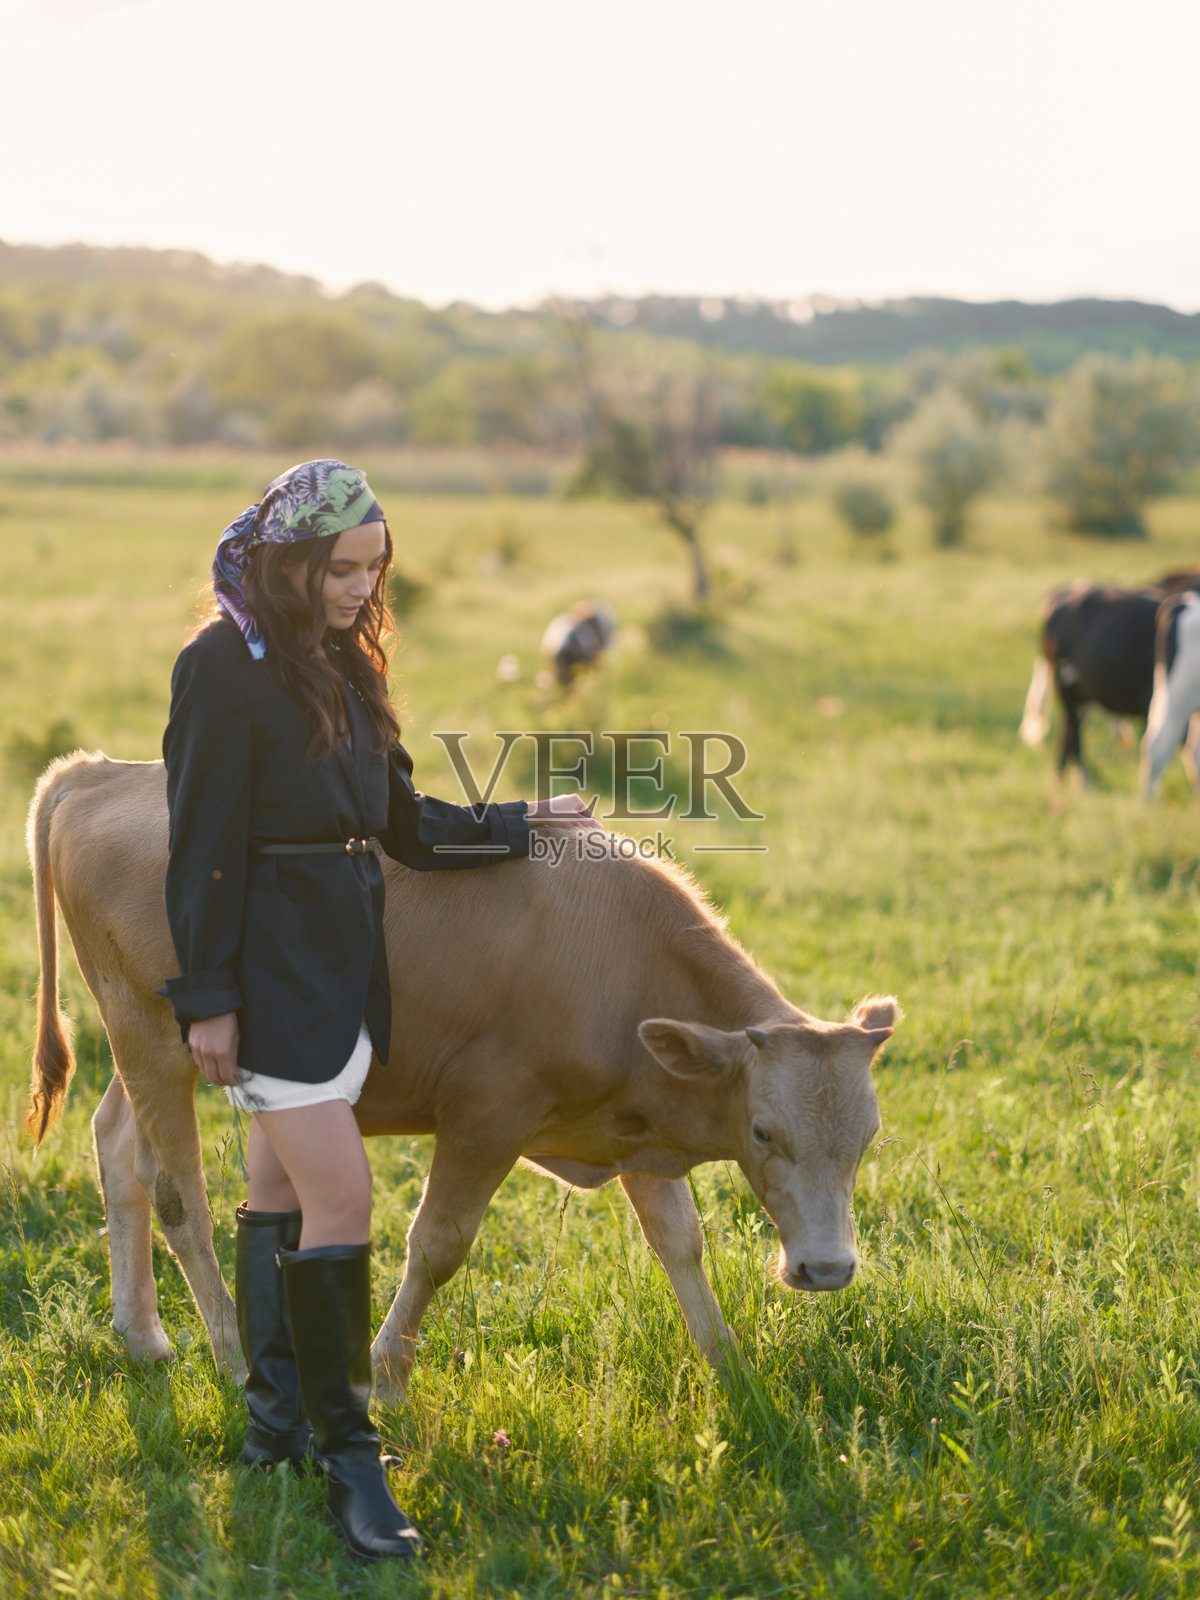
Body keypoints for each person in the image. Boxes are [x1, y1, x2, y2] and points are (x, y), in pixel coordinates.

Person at [159, 459, 590, 1561]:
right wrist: (209, 999)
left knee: (274, 1190)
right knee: (341, 1194)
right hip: (267, 968)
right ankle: (350, 1454)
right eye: (343, 568)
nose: (361, 587)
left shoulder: (343, 665)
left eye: (374, 568)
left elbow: (401, 824)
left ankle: (273, 1429)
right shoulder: (219, 663)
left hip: (349, 960)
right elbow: (202, 846)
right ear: (292, 561)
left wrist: (521, 821)